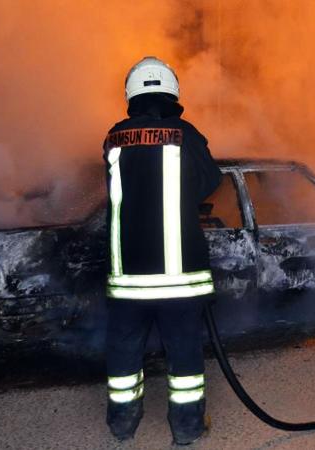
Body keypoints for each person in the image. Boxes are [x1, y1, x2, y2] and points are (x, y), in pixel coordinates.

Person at [102, 56, 222, 445]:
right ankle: (186, 428)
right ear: (172, 90)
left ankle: (122, 423)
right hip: (179, 280)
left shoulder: (114, 138)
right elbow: (209, 181)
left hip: (128, 278)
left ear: (131, 93)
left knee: (123, 353)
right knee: (184, 356)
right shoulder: (186, 134)